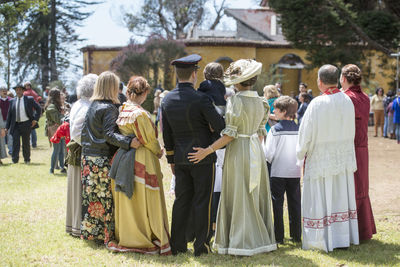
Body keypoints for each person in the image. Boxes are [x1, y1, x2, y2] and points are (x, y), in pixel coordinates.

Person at [188, 59, 277, 256]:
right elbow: (261, 132)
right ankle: (260, 238)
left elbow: (229, 135)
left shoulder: (235, 101)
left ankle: (240, 241)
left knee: (239, 193)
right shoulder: (262, 101)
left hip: (239, 151)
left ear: (237, 81)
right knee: (253, 193)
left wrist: (207, 150)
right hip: (255, 150)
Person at [161, 54, 225, 256]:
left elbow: (167, 133)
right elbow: (220, 125)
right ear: (195, 73)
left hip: (179, 157)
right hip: (202, 156)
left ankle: (178, 245)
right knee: (202, 202)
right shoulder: (201, 98)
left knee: (181, 201)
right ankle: (201, 246)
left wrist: (171, 159)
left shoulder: (167, 99)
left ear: (177, 74)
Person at [297, 64, 359, 252]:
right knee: (339, 196)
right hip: (342, 157)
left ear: (320, 81)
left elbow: (305, 134)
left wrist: (301, 153)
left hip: (320, 158)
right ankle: (341, 237)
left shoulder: (316, 103)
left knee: (320, 198)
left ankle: (319, 239)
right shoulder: (347, 101)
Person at [107, 76, 171, 255]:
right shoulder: (140, 114)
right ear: (143, 94)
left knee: (129, 198)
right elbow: (148, 139)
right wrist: (159, 151)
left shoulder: (123, 109)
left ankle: (127, 234)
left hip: (123, 157)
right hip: (142, 158)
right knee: (144, 198)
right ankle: (145, 236)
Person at [80, 71, 140, 244]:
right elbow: (109, 134)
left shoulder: (93, 105)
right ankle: (107, 235)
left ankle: (92, 232)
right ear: (112, 87)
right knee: (106, 197)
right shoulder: (109, 108)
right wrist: (129, 142)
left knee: (91, 197)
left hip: (88, 158)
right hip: (102, 159)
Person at [342, 64, 376, 241]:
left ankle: (350, 229)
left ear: (344, 78)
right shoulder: (365, 97)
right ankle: (364, 228)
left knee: (350, 187)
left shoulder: (345, 97)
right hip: (363, 148)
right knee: (362, 186)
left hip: (349, 147)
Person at [264, 96, 301, 244]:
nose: (273, 111)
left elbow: (269, 153)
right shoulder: (299, 129)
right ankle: (296, 235)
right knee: (295, 203)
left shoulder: (274, 130)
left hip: (278, 172)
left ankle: (279, 236)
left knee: (277, 205)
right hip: (295, 171)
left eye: (276, 109)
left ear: (284, 111)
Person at [66, 74, 98, 237]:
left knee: (75, 190)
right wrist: (90, 144)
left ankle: (74, 225)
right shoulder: (86, 107)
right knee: (79, 190)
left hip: (75, 150)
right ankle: (79, 226)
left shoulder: (78, 103)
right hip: (80, 151)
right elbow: (76, 132)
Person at [6, 84, 41, 164]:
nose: (18, 91)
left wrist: (35, 119)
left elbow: (38, 108)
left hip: (26, 124)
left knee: (26, 143)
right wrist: (6, 128)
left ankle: (27, 159)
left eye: (20, 90)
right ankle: (14, 160)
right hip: (15, 125)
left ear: (23, 91)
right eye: (16, 90)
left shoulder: (29, 99)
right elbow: (9, 115)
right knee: (15, 143)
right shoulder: (12, 101)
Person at [45, 88, 66, 174]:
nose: (61, 96)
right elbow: (58, 119)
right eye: (59, 95)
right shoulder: (51, 107)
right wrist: (66, 116)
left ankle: (62, 167)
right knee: (56, 150)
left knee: (61, 150)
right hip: (54, 131)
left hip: (60, 129)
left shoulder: (56, 106)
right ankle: (52, 169)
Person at [24, 82, 41, 148]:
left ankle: (30, 143)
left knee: (29, 128)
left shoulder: (25, 93)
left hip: (27, 111)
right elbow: (37, 101)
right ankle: (34, 143)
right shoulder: (34, 92)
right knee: (33, 127)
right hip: (34, 111)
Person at [0, 87, 12, 156]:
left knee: (10, 137)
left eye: (5, 91)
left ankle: (11, 151)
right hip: (1, 122)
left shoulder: (11, 100)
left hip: (9, 121)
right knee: (2, 138)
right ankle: (2, 153)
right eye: (2, 91)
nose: (4, 92)